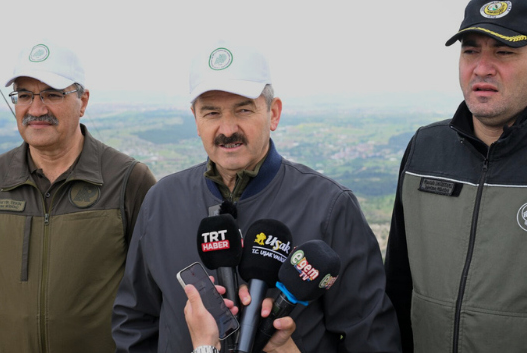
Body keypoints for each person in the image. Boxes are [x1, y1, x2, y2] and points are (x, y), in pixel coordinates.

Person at [113, 41, 400, 352]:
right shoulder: (161, 202)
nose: (227, 128)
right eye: (211, 112)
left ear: (273, 113)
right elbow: (135, 323)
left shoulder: (330, 207)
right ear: (195, 119)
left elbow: (372, 339)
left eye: (243, 109)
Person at [384, 0, 527, 352]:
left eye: (504, 51)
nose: (482, 67)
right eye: (470, 51)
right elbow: (398, 287)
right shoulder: (424, 150)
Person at [0, 40, 157, 353]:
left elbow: (155, 291)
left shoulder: (129, 179)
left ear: (83, 101)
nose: (36, 109)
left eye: (52, 94)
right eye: (24, 95)